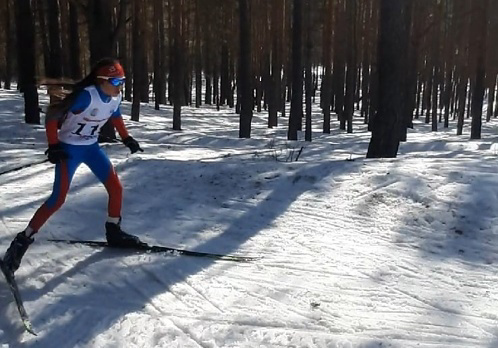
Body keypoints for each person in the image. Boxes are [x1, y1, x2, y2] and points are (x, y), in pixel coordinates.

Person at [3, 58, 144, 274]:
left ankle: (114, 231)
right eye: (116, 82)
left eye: (122, 81)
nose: (120, 86)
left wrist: (127, 138)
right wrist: (53, 145)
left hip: (91, 148)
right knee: (57, 199)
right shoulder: (87, 95)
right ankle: (21, 242)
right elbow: (52, 116)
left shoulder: (115, 97)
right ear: (101, 81)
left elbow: (115, 116)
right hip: (70, 150)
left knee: (116, 188)